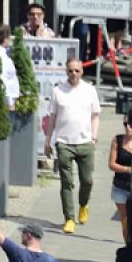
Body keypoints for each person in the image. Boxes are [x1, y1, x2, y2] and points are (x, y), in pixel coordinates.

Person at [44, 58, 101, 234]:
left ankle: (83, 205)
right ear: (66, 72)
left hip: (85, 142)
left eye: (77, 70)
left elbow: (95, 115)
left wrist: (94, 137)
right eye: (70, 71)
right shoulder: (58, 91)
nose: (73, 74)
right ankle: (69, 218)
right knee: (66, 183)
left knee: (87, 181)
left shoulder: (89, 90)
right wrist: (48, 140)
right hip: (64, 142)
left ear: (82, 71)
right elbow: (52, 118)